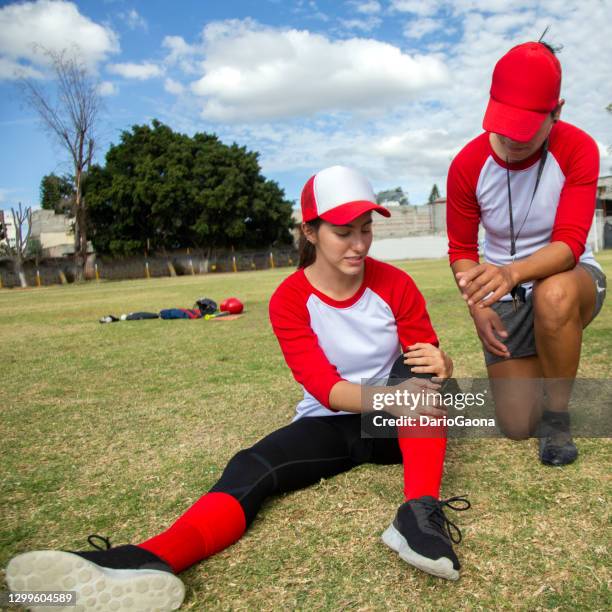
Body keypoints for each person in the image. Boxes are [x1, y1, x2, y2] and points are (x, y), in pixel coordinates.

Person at [6, 166, 469, 611]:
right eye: (343, 232)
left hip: (395, 425)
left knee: (429, 394)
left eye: (365, 229)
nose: (359, 244)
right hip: (331, 419)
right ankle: (146, 560)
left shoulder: (396, 283)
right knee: (253, 466)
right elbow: (326, 389)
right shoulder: (290, 299)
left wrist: (441, 365)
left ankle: (418, 516)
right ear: (310, 232)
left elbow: (423, 363)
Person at [447, 41, 606, 466]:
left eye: (528, 126)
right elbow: (462, 249)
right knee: (516, 425)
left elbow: (570, 245)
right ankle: (548, 348)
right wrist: (478, 306)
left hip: (569, 279)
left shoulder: (578, 149)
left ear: (558, 111)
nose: (514, 138)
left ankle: (557, 415)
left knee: (552, 296)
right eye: (504, 122)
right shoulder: (467, 163)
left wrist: (512, 274)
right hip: (503, 288)